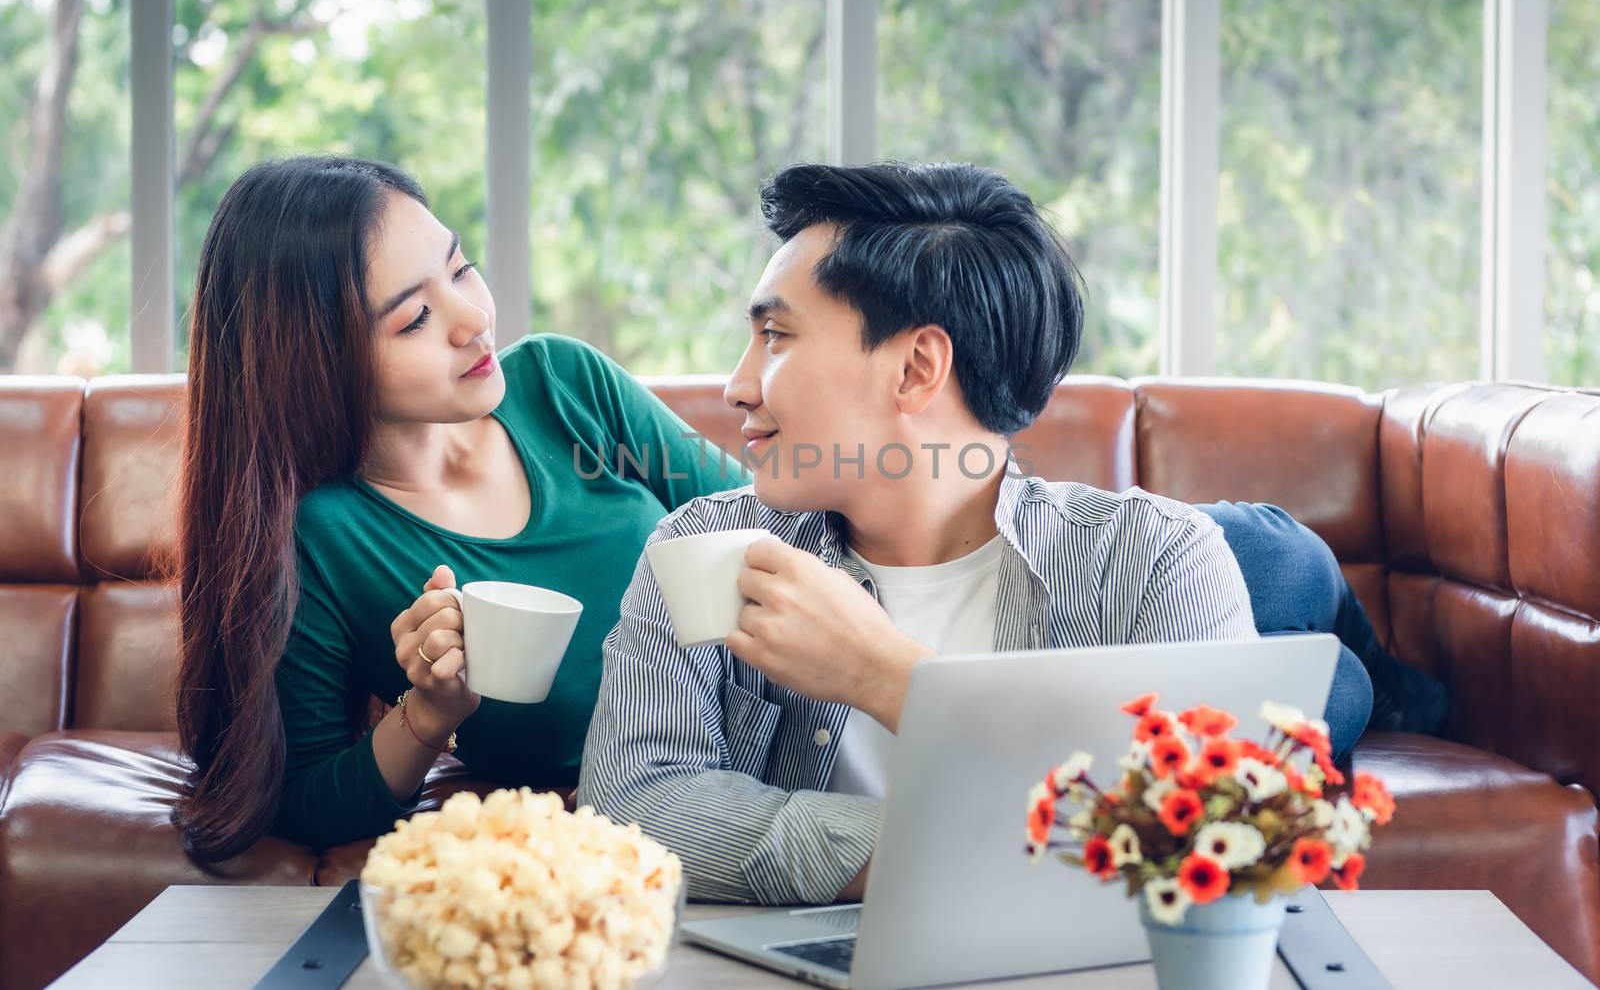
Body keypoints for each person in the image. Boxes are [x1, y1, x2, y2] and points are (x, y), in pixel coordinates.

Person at [578, 161, 1446, 906]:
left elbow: (1191, 838)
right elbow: (633, 803)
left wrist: (888, 677)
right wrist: (941, 855)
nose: (736, 386)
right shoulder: (701, 549)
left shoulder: (1156, 560)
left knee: (1322, 674)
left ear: (917, 368)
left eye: (774, 336)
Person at [171, 156, 746, 861]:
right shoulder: (323, 538)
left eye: (462, 267)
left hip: (803, 738)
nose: (473, 319)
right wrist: (433, 710)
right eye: (415, 318)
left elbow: (772, 528)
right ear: (315, 361)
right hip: (661, 826)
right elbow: (304, 797)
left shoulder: (568, 385)